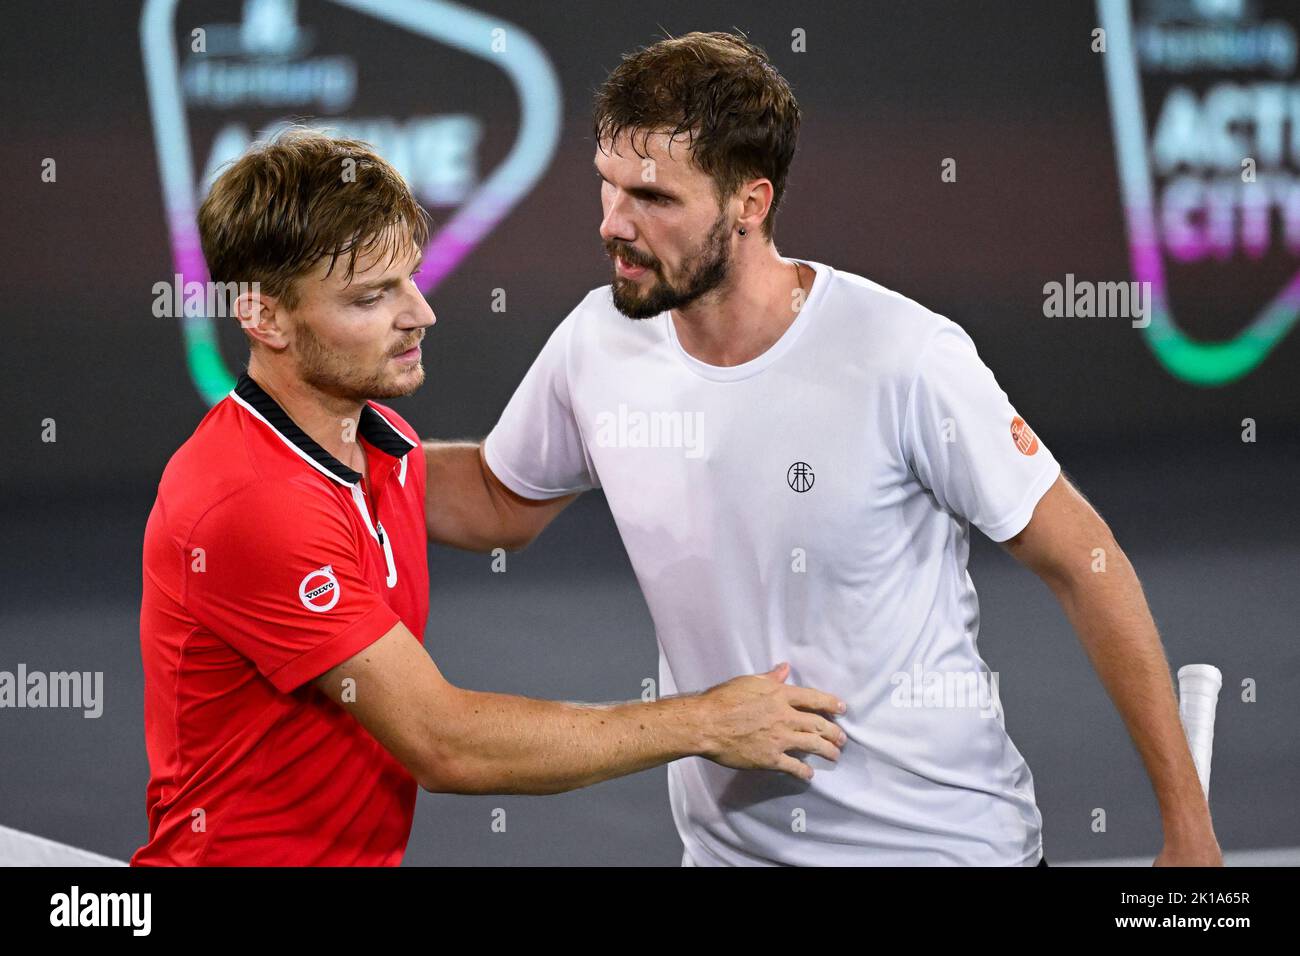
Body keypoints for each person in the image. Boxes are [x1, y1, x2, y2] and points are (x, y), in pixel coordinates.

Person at [424, 32, 1223, 866]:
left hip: (941, 853)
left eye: (653, 198)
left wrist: (1187, 826)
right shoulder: (597, 342)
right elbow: (493, 498)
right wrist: (320, 455)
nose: (613, 224)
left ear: (750, 202)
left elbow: (1082, 557)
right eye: (607, 185)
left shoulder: (904, 354)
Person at [132, 129, 847, 866]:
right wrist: (705, 722)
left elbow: (494, 508)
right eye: (372, 297)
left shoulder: (367, 436)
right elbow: (446, 744)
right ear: (263, 317)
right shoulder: (253, 503)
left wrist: (649, 422)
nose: (419, 314)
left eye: (408, 279)